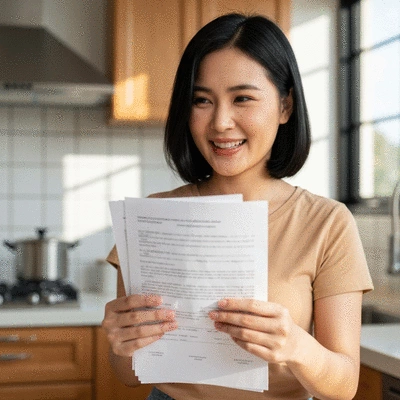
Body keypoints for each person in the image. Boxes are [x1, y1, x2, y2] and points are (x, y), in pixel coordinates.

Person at [102, 13, 373, 400]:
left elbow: (344, 386)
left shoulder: (326, 222)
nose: (220, 122)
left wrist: (297, 346)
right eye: (202, 101)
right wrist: (121, 342)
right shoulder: (152, 217)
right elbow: (128, 375)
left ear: (285, 106)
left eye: (242, 98)